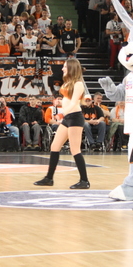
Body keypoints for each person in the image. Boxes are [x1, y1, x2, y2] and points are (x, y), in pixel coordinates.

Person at [34, 58, 90, 189]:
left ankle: (84, 181)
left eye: (65, 66)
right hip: (68, 117)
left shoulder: (78, 84)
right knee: (54, 146)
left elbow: (74, 102)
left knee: (75, 149)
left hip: (75, 117)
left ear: (71, 68)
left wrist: (61, 114)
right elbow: (67, 99)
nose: (63, 68)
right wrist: (61, 104)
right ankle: (49, 178)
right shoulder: (68, 82)